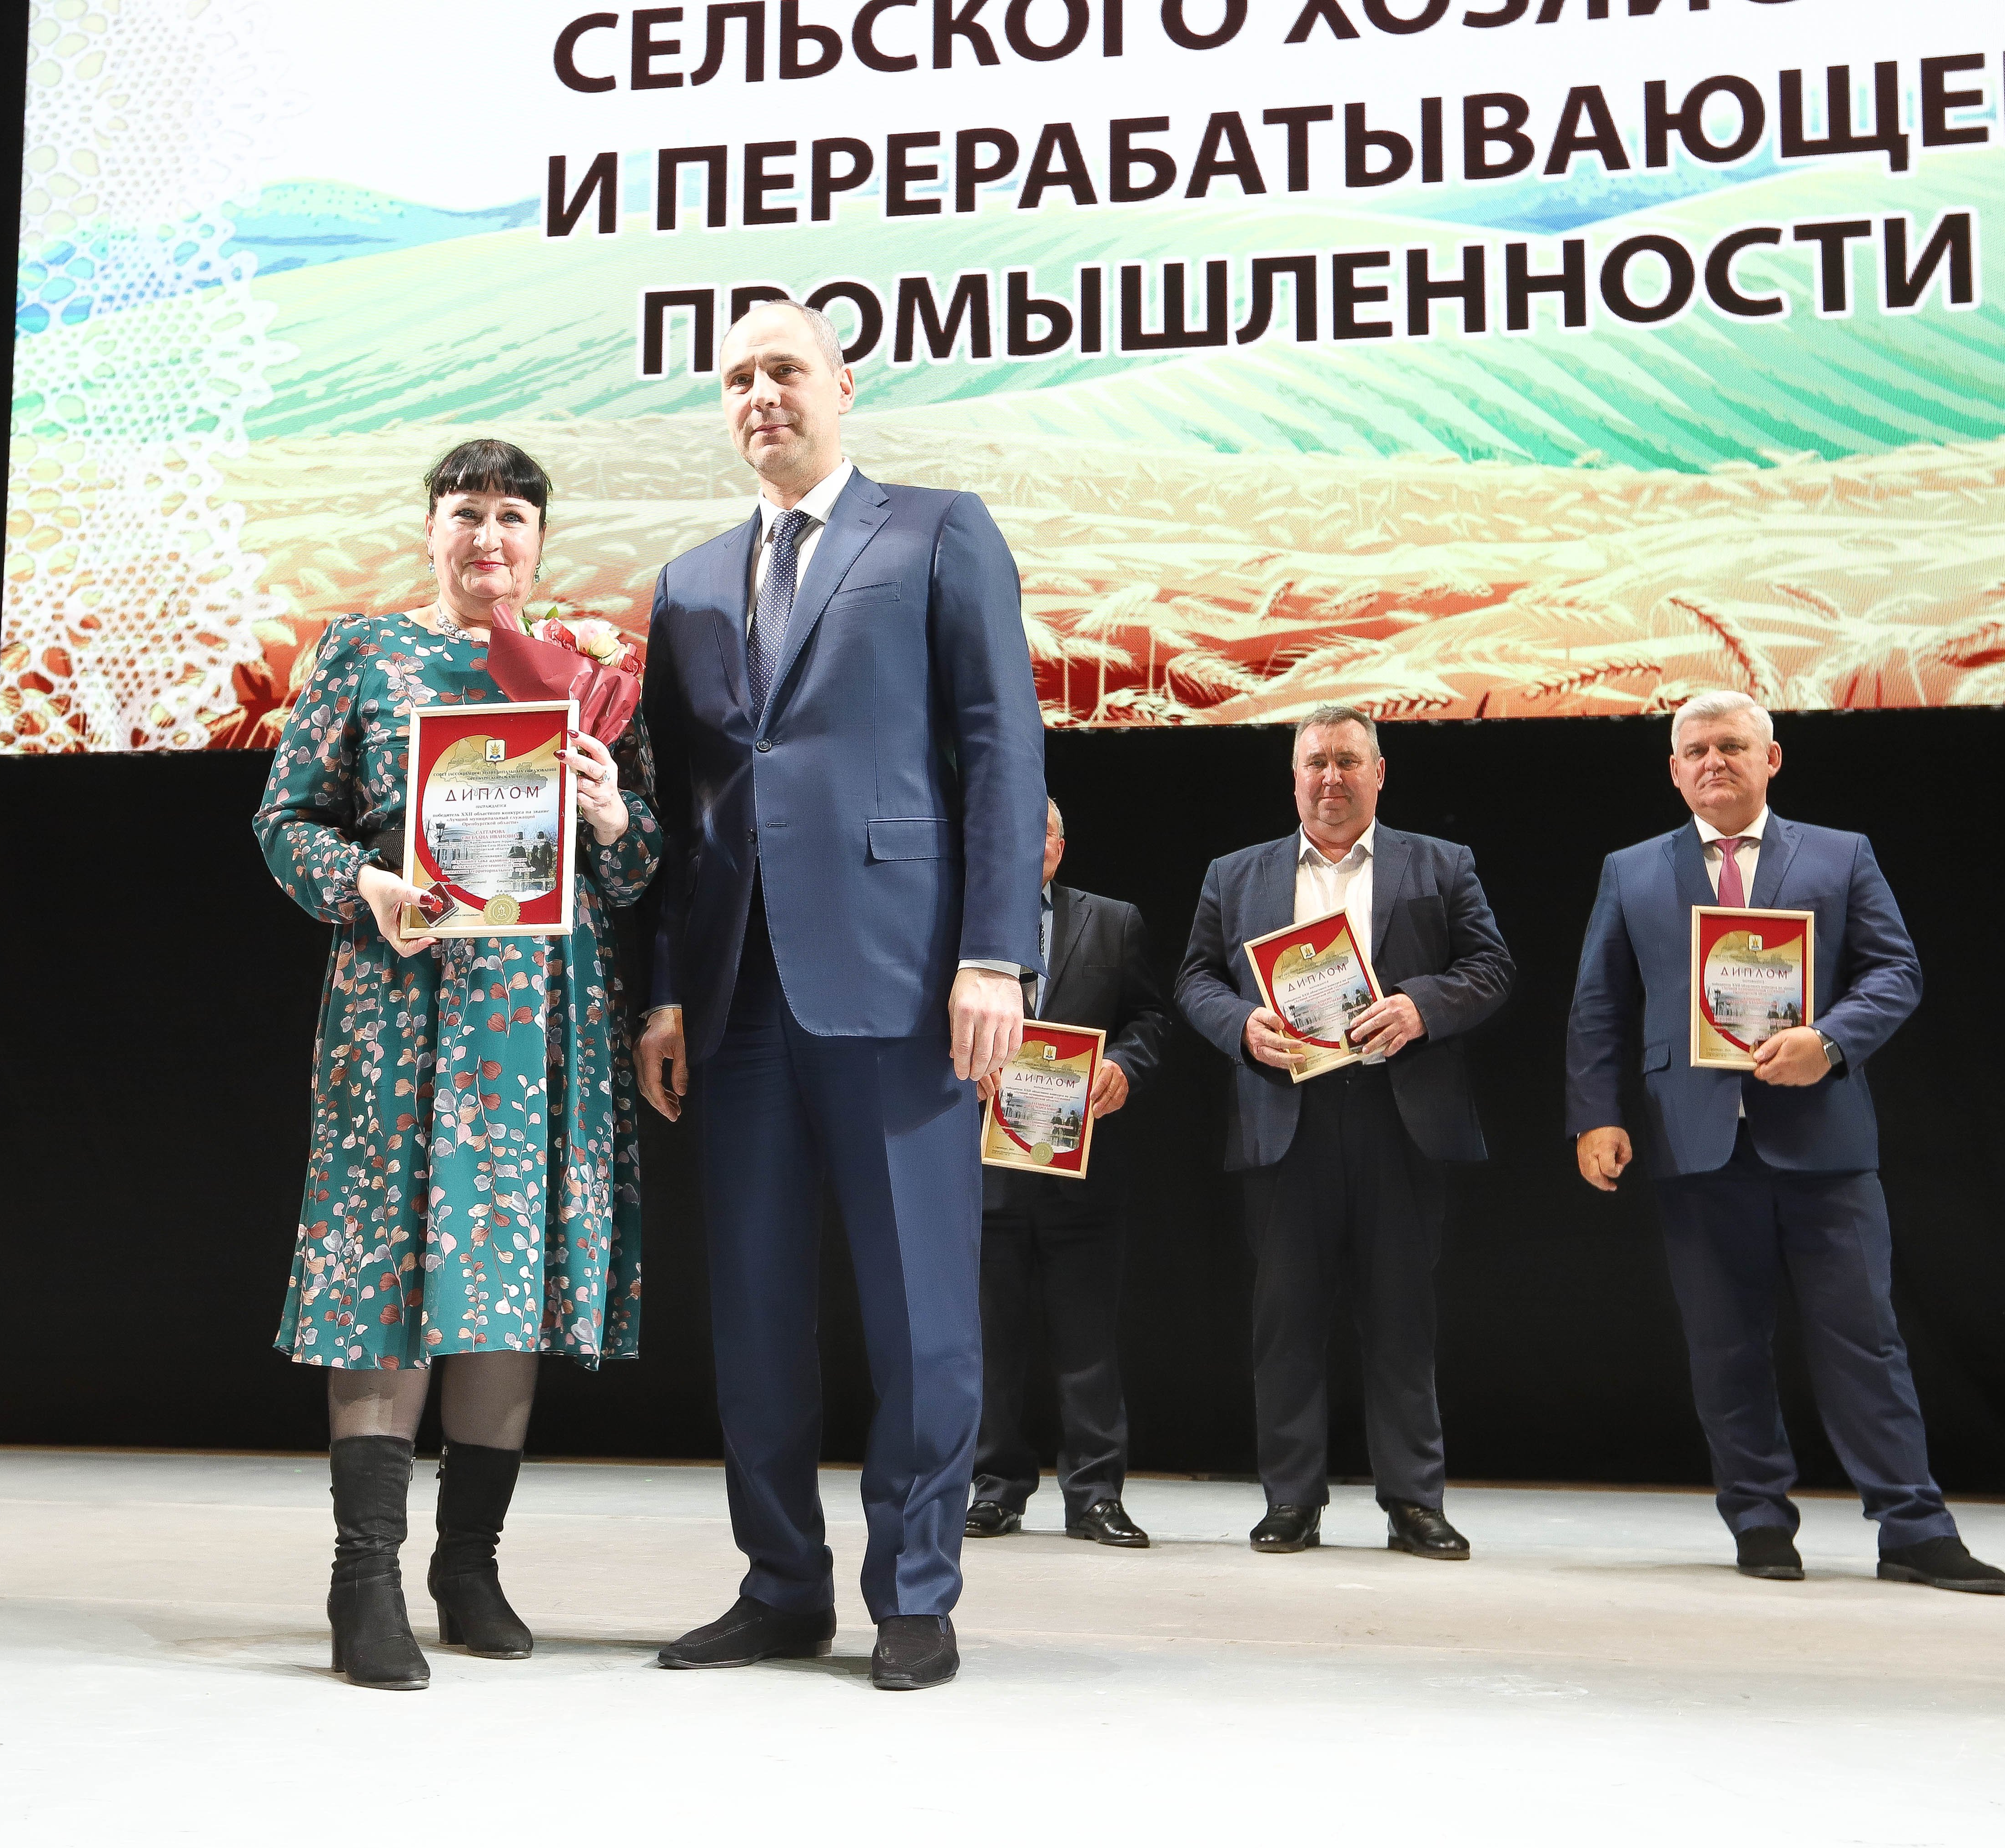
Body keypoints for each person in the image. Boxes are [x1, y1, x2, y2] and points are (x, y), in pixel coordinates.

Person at [633, 299, 1046, 1692]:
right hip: (734, 994)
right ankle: (780, 1586)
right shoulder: (689, 581)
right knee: (755, 1314)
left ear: (843, 385)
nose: (761, 394)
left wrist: (996, 954)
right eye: (737, 377)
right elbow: (679, 809)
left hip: (904, 978)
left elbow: (1002, 748)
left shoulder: (937, 531)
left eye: (785, 370)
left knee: (923, 1311)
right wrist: (665, 991)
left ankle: (915, 1592)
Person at [250, 439, 664, 1690]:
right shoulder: (363, 654)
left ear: (541, 541)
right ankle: (365, 1576)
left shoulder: (591, 670)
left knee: (506, 1278)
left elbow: (638, 866)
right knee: (387, 1269)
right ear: (431, 529)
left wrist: (609, 813)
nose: (490, 539)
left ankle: (468, 1566)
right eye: (467, 514)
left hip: (543, 1020)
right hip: (401, 1010)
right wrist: (363, 883)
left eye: (512, 519)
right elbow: (284, 820)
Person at [1566, 691, 2005, 1594]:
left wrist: (1831, 1042)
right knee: (1724, 1345)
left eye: (1733, 745)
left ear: (1771, 758)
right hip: (1694, 1143)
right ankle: (1760, 1521)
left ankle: (1914, 1529)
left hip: (1824, 1144)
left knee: (1865, 1342)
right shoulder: (1632, 869)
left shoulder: (1842, 855)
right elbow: (1600, 1005)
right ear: (1674, 770)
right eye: (1696, 750)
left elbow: (1896, 970)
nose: (1714, 761)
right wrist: (1595, 1115)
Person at [1176, 706, 1512, 1559]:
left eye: (1348, 761)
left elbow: (1492, 968)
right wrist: (1241, 1025)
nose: (1332, 777)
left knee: (1402, 1319)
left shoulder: (1442, 864)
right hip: (1285, 1117)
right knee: (1286, 1322)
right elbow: (1195, 980)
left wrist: (1422, 1007)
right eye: (1316, 762)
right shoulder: (1235, 874)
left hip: (1401, 1118)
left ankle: (1414, 1503)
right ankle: (1292, 1501)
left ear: (1379, 772)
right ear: (1294, 777)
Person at [965, 798, 1173, 1549]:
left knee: (1089, 1346)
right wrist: (965, 1065)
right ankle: (995, 1490)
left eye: (1045, 833)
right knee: (991, 1347)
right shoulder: (961, 923)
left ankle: (1095, 1497)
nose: (1033, 845)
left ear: (1061, 844)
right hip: (984, 1171)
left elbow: (1151, 1019)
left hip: (1082, 1171)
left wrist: (1125, 1067)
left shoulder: (1114, 921)